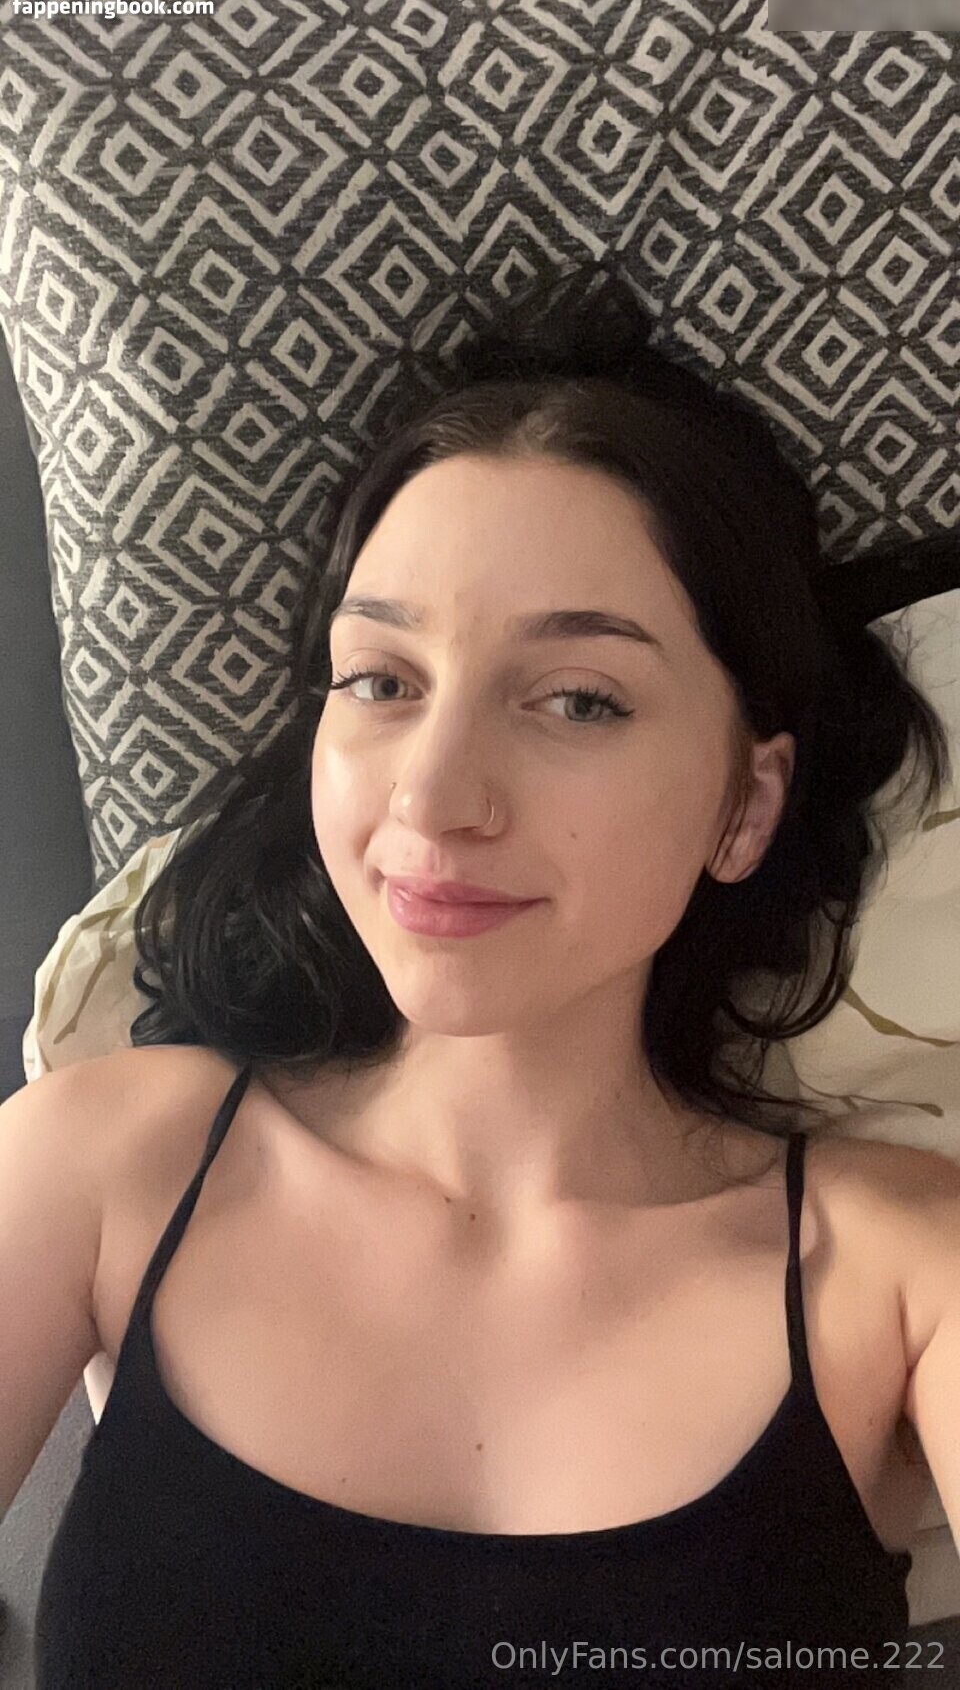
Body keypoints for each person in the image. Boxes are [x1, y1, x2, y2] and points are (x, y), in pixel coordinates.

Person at [6, 264, 957, 1688]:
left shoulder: (897, 1269)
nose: (434, 796)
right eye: (381, 681)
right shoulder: (104, 1161)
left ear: (745, 806)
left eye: (578, 699)